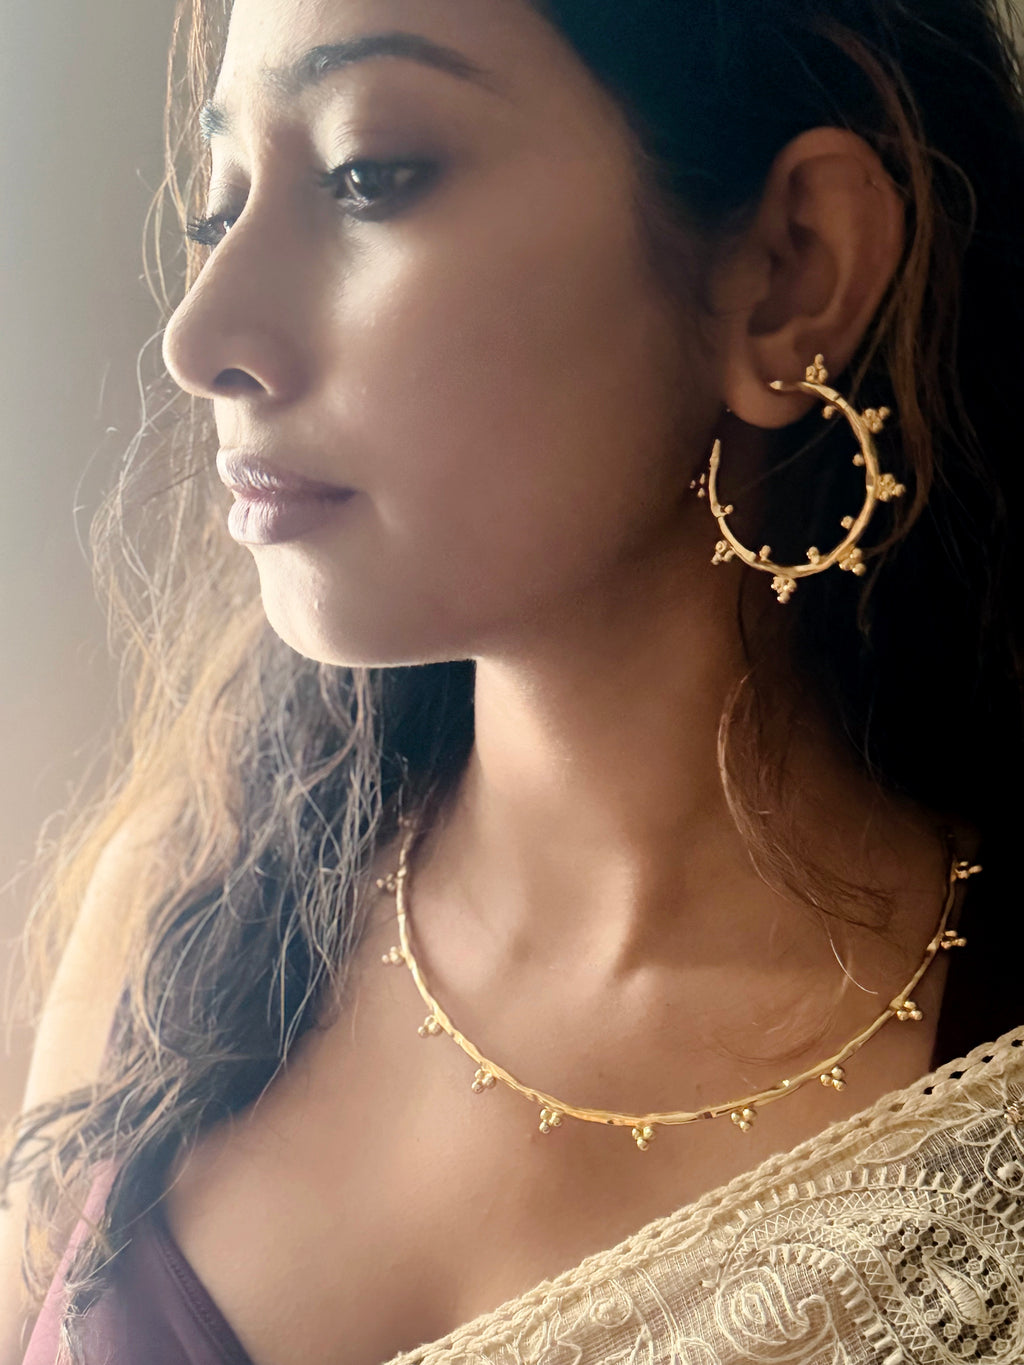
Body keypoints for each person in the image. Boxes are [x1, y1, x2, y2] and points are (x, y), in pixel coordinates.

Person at [3, 0, 1024, 1360]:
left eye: (370, 175)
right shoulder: (186, 905)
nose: (203, 335)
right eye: (222, 199)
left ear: (792, 268)